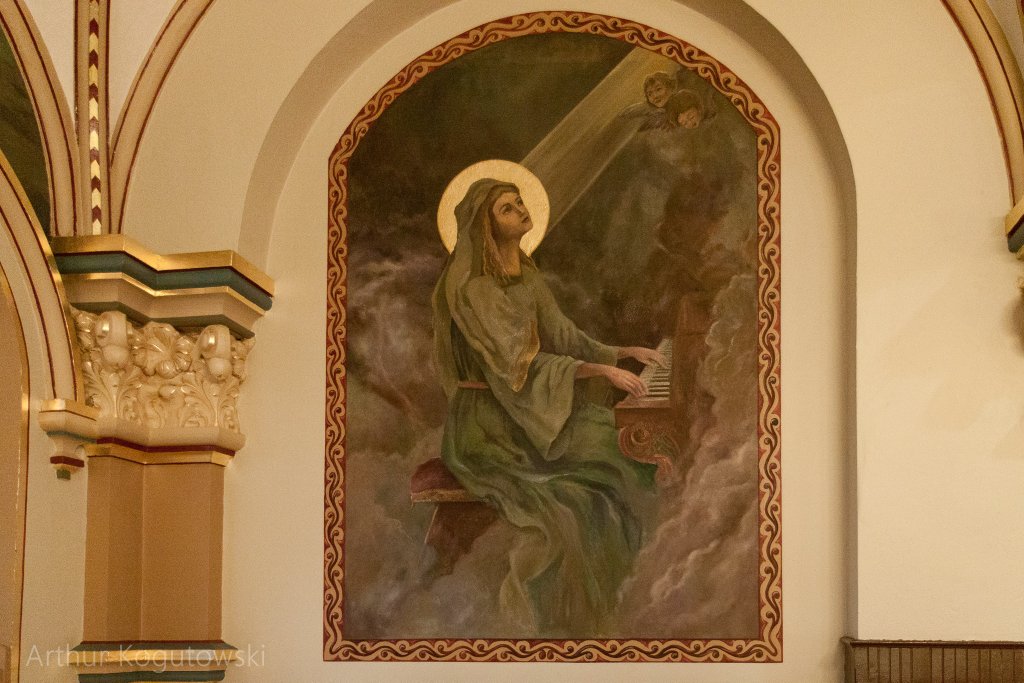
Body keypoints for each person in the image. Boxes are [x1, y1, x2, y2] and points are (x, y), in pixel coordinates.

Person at [431, 175, 664, 637]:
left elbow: (562, 335)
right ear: (485, 225)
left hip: (526, 414)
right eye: (506, 208)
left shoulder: (526, 273)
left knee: (626, 450)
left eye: (520, 202)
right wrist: (601, 372)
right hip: (487, 425)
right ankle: (575, 621)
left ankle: (641, 592)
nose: (520, 210)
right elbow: (517, 366)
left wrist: (622, 353)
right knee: (576, 503)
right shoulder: (474, 288)